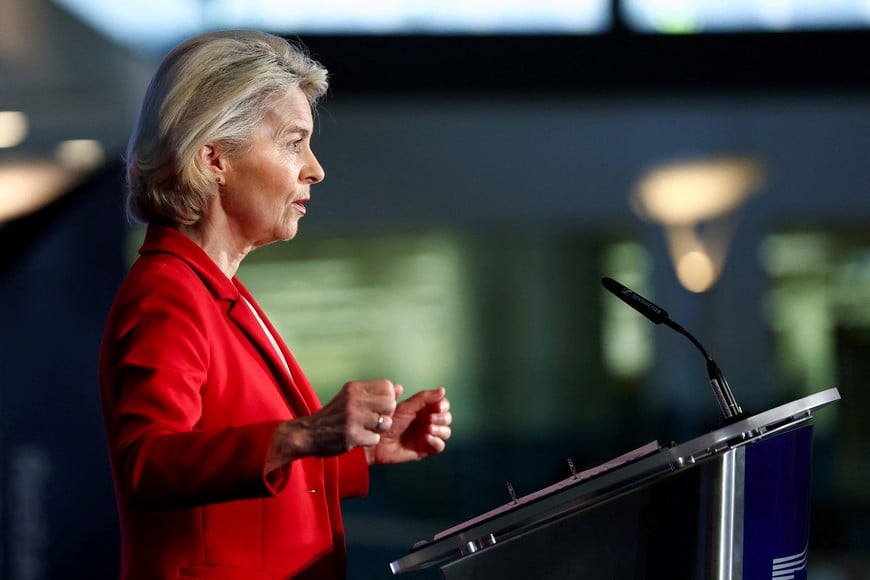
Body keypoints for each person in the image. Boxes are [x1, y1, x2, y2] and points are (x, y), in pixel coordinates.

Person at [98, 29, 452, 580]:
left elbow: (244, 475)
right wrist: (305, 433)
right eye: (293, 142)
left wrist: (362, 447)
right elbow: (149, 462)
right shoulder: (166, 293)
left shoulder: (220, 293)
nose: (315, 169)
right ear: (214, 158)